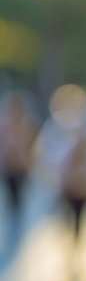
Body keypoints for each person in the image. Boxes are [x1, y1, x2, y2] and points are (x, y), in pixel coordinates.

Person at [34, 84, 86, 281]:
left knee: (79, 220)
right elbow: (48, 157)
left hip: (83, 187)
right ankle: (71, 251)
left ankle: (76, 251)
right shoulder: (57, 129)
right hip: (65, 187)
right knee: (69, 221)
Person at [0, 90, 38, 242]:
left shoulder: (26, 123)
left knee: (20, 195)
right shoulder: (4, 124)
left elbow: (31, 145)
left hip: (22, 166)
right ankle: (13, 219)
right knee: (10, 195)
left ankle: (18, 221)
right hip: (8, 166)